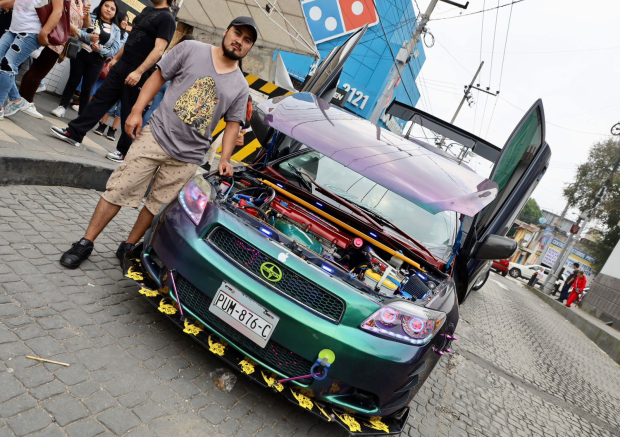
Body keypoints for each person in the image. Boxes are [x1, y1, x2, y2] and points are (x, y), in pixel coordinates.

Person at [57, 16, 258, 269]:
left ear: (249, 47)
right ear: (227, 31)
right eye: (237, 33)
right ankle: (86, 242)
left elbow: (233, 124)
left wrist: (225, 159)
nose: (239, 41)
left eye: (247, 40)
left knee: (156, 206)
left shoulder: (240, 86)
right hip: (156, 136)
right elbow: (158, 77)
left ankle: (128, 246)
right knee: (119, 189)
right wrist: (136, 110)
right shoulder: (191, 49)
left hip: (189, 157)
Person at [49, 0, 176, 160]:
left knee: (128, 110)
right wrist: (116, 59)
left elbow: (158, 50)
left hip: (138, 70)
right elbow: (132, 37)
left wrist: (139, 72)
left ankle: (125, 152)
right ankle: (74, 133)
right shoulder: (147, 10)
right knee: (100, 99)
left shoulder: (167, 19)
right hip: (122, 64)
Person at [18, 0, 92, 118]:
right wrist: (70, 26)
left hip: (62, 41)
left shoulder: (82, 3)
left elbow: (86, 25)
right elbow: (57, 12)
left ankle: (21, 99)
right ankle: (26, 101)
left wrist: (87, 13)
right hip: (54, 36)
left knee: (37, 70)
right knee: (39, 71)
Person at [51, 0, 121, 117]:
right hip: (81, 53)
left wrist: (99, 48)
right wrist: (89, 38)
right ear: (101, 6)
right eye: (106, 6)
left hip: (98, 60)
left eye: (112, 9)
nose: (108, 10)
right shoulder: (90, 17)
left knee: (87, 88)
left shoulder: (116, 30)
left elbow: (114, 50)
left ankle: (81, 116)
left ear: (115, 13)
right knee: (73, 80)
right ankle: (62, 107)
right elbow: (78, 31)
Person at [0, 0, 63, 120]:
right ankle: (17, 100)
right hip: (14, 29)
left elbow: (58, 11)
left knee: (7, 65)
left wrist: (44, 32)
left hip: (31, 32)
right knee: (5, 66)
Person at [203, 94, 252, 170]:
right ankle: (209, 164)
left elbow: (253, 126)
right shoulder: (238, 108)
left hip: (234, 133)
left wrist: (245, 130)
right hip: (229, 131)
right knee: (216, 148)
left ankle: (217, 168)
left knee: (223, 152)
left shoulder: (247, 113)